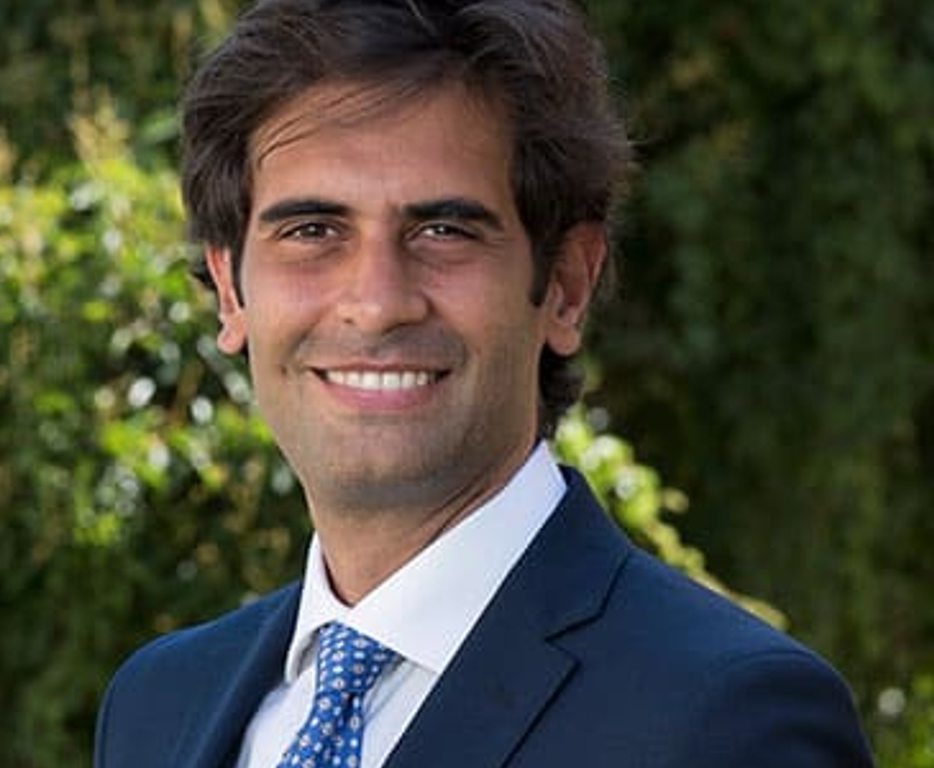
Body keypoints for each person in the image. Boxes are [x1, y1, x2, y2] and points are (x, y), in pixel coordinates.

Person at [94, 1, 875, 766]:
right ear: (232, 291)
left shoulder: (730, 723)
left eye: (444, 231)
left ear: (566, 286)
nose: (377, 302)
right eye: (312, 231)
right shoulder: (157, 706)